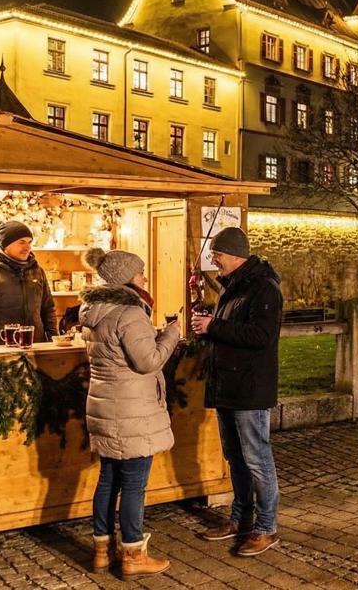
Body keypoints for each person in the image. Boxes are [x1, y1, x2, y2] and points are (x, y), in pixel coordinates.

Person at [80, 247, 180, 578]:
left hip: (104, 405)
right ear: (126, 279)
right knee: (134, 484)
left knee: (108, 478)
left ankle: (101, 551)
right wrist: (171, 334)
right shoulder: (129, 313)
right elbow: (148, 361)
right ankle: (134, 555)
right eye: (140, 273)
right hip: (131, 411)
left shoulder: (93, 310)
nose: (145, 277)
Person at [192, 227, 284, 557]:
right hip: (227, 385)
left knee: (257, 458)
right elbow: (234, 332)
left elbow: (261, 336)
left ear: (234, 255)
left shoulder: (263, 288)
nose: (213, 260)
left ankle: (266, 528)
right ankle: (241, 519)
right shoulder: (232, 287)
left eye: (217, 255)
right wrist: (209, 326)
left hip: (249, 388)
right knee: (236, 458)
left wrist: (214, 326)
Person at [0, 220, 57, 346]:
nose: (27, 247)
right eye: (21, 242)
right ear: (6, 244)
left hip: (36, 349)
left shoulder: (37, 271)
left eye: (29, 242)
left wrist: (51, 341)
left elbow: (48, 309)